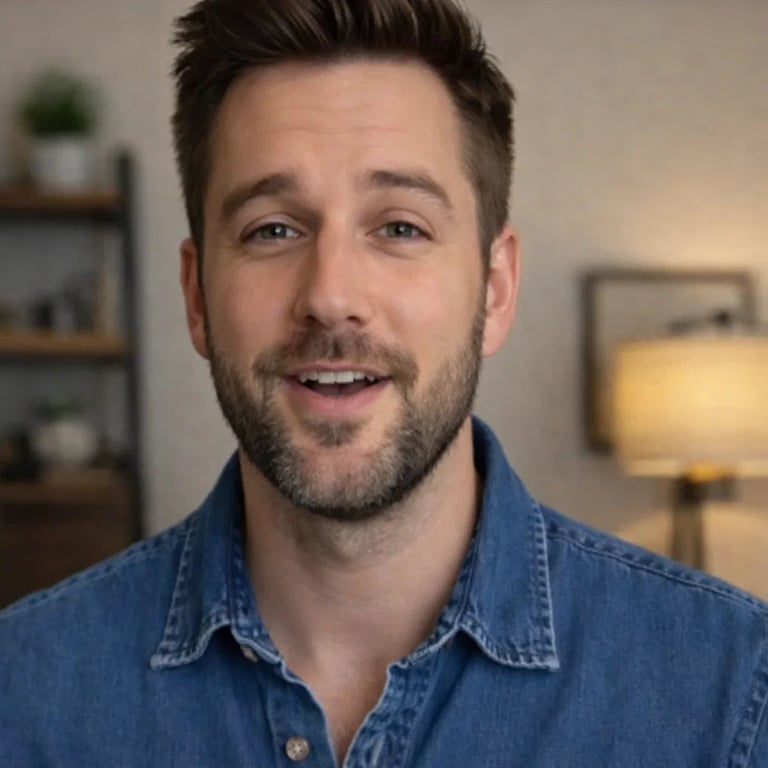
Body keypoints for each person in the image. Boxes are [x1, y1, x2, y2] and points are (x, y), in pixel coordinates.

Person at [1, 0, 767, 765]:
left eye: (400, 226)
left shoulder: (731, 693)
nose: (331, 294)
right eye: (273, 229)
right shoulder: (23, 692)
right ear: (198, 298)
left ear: (494, 290)